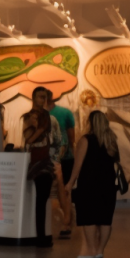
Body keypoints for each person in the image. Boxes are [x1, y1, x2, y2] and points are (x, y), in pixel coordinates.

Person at [65, 110, 119, 258]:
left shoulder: (85, 140)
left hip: (89, 184)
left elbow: (78, 165)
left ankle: (91, 250)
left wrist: (70, 183)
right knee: (105, 219)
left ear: (90, 122)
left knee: (89, 217)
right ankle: (100, 251)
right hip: (108, 184)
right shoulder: (111, 140)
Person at [21, 86, 60, 247]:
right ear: (34, 98)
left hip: (45, 160)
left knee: (43, 199)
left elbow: (44, 136)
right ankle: (41, 236)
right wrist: (37, 129)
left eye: (45, 97)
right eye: (40, 97)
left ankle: (41, 235)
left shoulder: (45, 116)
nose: (43, 100)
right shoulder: (29, 117)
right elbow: (28, 138)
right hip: (37, 160)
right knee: (41, 199)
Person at [46, 89, 76, 239]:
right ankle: (60, 221)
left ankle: (66, 223)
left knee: (65, 190)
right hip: (47, 158)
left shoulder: (65, 113)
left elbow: (71, 137)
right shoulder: (37, 115)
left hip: (65, 157)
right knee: (52, 191)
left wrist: (72, 154)